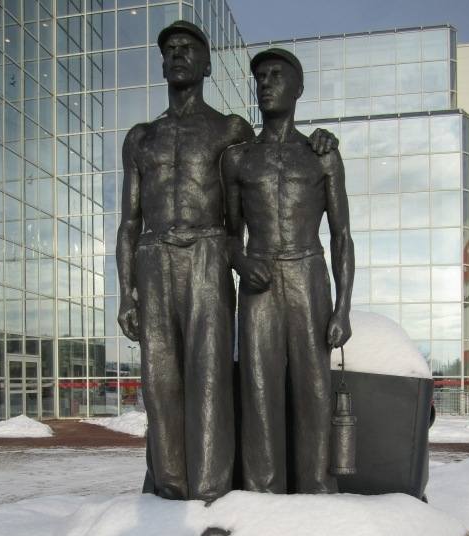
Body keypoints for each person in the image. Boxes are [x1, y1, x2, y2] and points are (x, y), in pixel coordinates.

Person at [117, 22, 337, 502]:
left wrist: (319, 140)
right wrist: (123, 293)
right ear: (161, 62)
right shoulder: (141, 137)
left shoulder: (231, 130)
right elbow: (128, 222)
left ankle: (213, 489)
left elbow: (249, 203)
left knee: (210, 378)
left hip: (209, 252)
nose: (177, 55)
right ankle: (168, 489)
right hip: (154, 256)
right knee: (159, 384)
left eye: (188, 48)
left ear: (207, 64)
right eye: (169, 49)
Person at [222, 48, 355, 494]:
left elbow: (342, 236)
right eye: (260, 76)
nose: (266, 82)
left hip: (308, 274)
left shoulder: (321, 154)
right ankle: (263, 493)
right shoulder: (238, 159)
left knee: (314, 391)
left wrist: (343, 308)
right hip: (259, 283)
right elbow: (226, 234)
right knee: (259, 392)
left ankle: (318, 490)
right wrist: (240, 261)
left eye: (277, 75)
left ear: (298, 88)